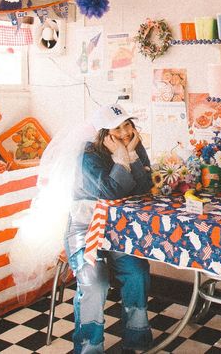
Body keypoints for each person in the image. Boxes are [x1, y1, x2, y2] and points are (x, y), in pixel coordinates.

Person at [65, 104, 154, 354]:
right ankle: (89, 347)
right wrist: (122, 157)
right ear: (103, 134)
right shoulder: (88, 156)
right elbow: (110, 192)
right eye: (117, 128)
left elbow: (144, 187)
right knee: (95, 283)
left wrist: (131, 154)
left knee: (137, 273)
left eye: (127, 125)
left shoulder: (133, 147)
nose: (125, 133)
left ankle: (137, 339)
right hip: (85, 228)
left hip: (119, 229)